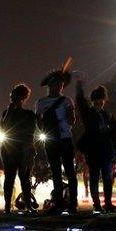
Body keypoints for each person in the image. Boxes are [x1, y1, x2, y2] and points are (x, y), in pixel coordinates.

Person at [35, 68, 78, 214]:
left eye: (61, 84)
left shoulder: (67, 100)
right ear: (50, 85)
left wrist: (69, 114)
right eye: (57, 84)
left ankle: (73, 202)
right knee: (55, 172)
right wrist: (46, 129)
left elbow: (72, 121)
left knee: (70, 171)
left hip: (65, 138)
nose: (60, 86)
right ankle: (59, 202)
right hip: (51, 139)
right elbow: (38, 121)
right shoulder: (41, 102)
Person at [75, 79, 116, 212]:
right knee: (94, 178)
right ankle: (96, 204)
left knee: (108, 178)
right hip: (94, 150)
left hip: (106, 150)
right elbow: (81, 102)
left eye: (101, 101)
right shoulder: (88, 112)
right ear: (93, 101)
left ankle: (107, 203)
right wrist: (79, 88)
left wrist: (112, 131)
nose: (100, 104)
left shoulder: (107, 114)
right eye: (97, 101)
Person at [0, 84, 38, 213]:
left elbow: (31, 133)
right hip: (9, 150)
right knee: (10, 178)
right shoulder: (7, 113)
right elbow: (3, 127)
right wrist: (10, 111)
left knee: (24, 178)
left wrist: (28, 151)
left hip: (22, 149)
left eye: (15, 97)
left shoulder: (29, 114)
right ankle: (7, 206)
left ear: (22, 98)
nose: (12, 99)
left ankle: (27, 204)